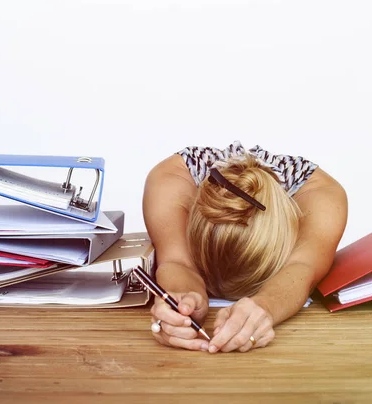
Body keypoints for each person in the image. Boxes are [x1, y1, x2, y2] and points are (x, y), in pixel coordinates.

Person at [142, 141, 347, 354]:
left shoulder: (325, 198)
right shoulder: (167, 181)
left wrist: (265, 306)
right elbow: (177, 261)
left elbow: (302, 268)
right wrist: (183, 298)